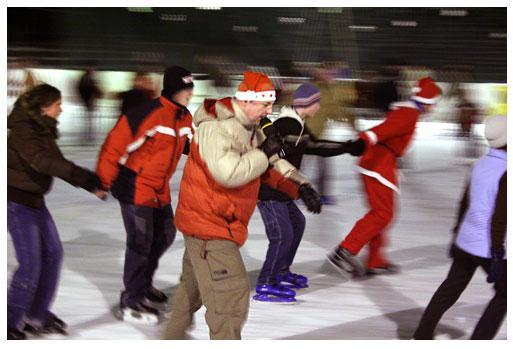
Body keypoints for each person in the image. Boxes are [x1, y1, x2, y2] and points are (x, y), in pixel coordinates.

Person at [164, 71, 321, 340]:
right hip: (210, 225)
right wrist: (263, 152)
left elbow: (269, 166)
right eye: (265, 104)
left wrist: (300, 185)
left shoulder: (249, 127)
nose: (269, 110)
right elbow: (229, 172)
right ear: (247, 101)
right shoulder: (216, 128)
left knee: (190, 292)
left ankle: (172, 339)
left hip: (211, 222)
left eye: (271, 103)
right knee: (231, 299)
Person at [7, 84, 107, 340]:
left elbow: (59, 163)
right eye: (57, 104)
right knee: (30, 264)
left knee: (53, 253)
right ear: (44, 107)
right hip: (15, 201)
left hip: (34, 201)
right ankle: (9, 321)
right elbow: (43, 161)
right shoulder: (22, 130)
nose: (61, 109)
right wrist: (86, 178)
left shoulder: (42, 128)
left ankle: (35, 313)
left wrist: (90, 183)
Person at [96, 66, 194, 324]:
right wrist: (102, 181)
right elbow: (114, 145)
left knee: (165, 234)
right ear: (173, 90)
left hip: (158, 187)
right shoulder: (148, 113)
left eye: (191, 88)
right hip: (134, 184)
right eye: (185, 89)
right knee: (140, 241)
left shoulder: (184, 117)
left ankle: (143, 285)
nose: (189, 94)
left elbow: (189, 145)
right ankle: (131, 300)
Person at [328, 77, 442, 277]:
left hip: (380, 163)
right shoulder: (409, 113)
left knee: (381, 213)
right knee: (382, 213)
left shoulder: (408, 111)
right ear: (428, 100)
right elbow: (383, 130)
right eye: (435, 102)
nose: (435, 106)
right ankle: (345, 251)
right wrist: (364, 140)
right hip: (378, 164)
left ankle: (375, 260)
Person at [254, 83, 355, 303]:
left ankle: (281, 271)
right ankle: (266, 283)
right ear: (306, 104)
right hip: (270, 190)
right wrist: (303, 186)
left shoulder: (298, 125)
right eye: (316, 103)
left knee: (297, 224)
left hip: (285, 189)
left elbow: (316, 146)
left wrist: (347, 147)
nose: (318, 107)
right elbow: (274, 160)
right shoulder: (286, 125)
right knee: (282, 235)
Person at [413, 115, 507, 340]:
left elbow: (464, 202)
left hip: (465, 241)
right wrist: (496, 253)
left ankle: (420, 335)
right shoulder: (507, 171)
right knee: (505, 295)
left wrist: (456, 233)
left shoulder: (480, 164)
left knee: (450, 289)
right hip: (486, 247)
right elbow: (500, 217)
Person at [77, 69, 102, 143]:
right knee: (89, 118)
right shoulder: (88, 79)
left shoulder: (85, 78)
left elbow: (81, 88)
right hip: (89, 100)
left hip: (87, 100)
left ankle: (88, 133)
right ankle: (89, 133)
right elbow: (91, 88)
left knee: (88, 118)